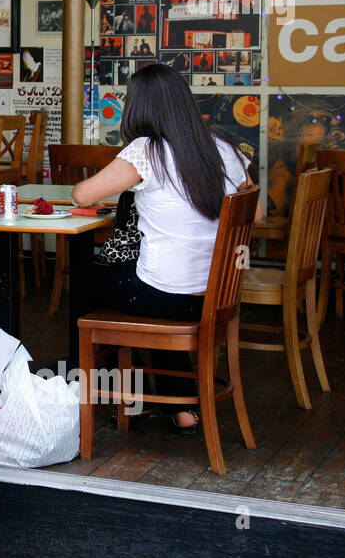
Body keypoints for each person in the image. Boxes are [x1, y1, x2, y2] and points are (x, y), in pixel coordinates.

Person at [71, 64, 260, 433]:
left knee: (88, 281)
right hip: (211, 295)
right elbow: (252, 201)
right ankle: (181, 409)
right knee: (152, 290)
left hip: (165, 294)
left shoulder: (148, 151)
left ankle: (126, 398)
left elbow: (82, 194)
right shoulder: (222, 148)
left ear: (140, 107)